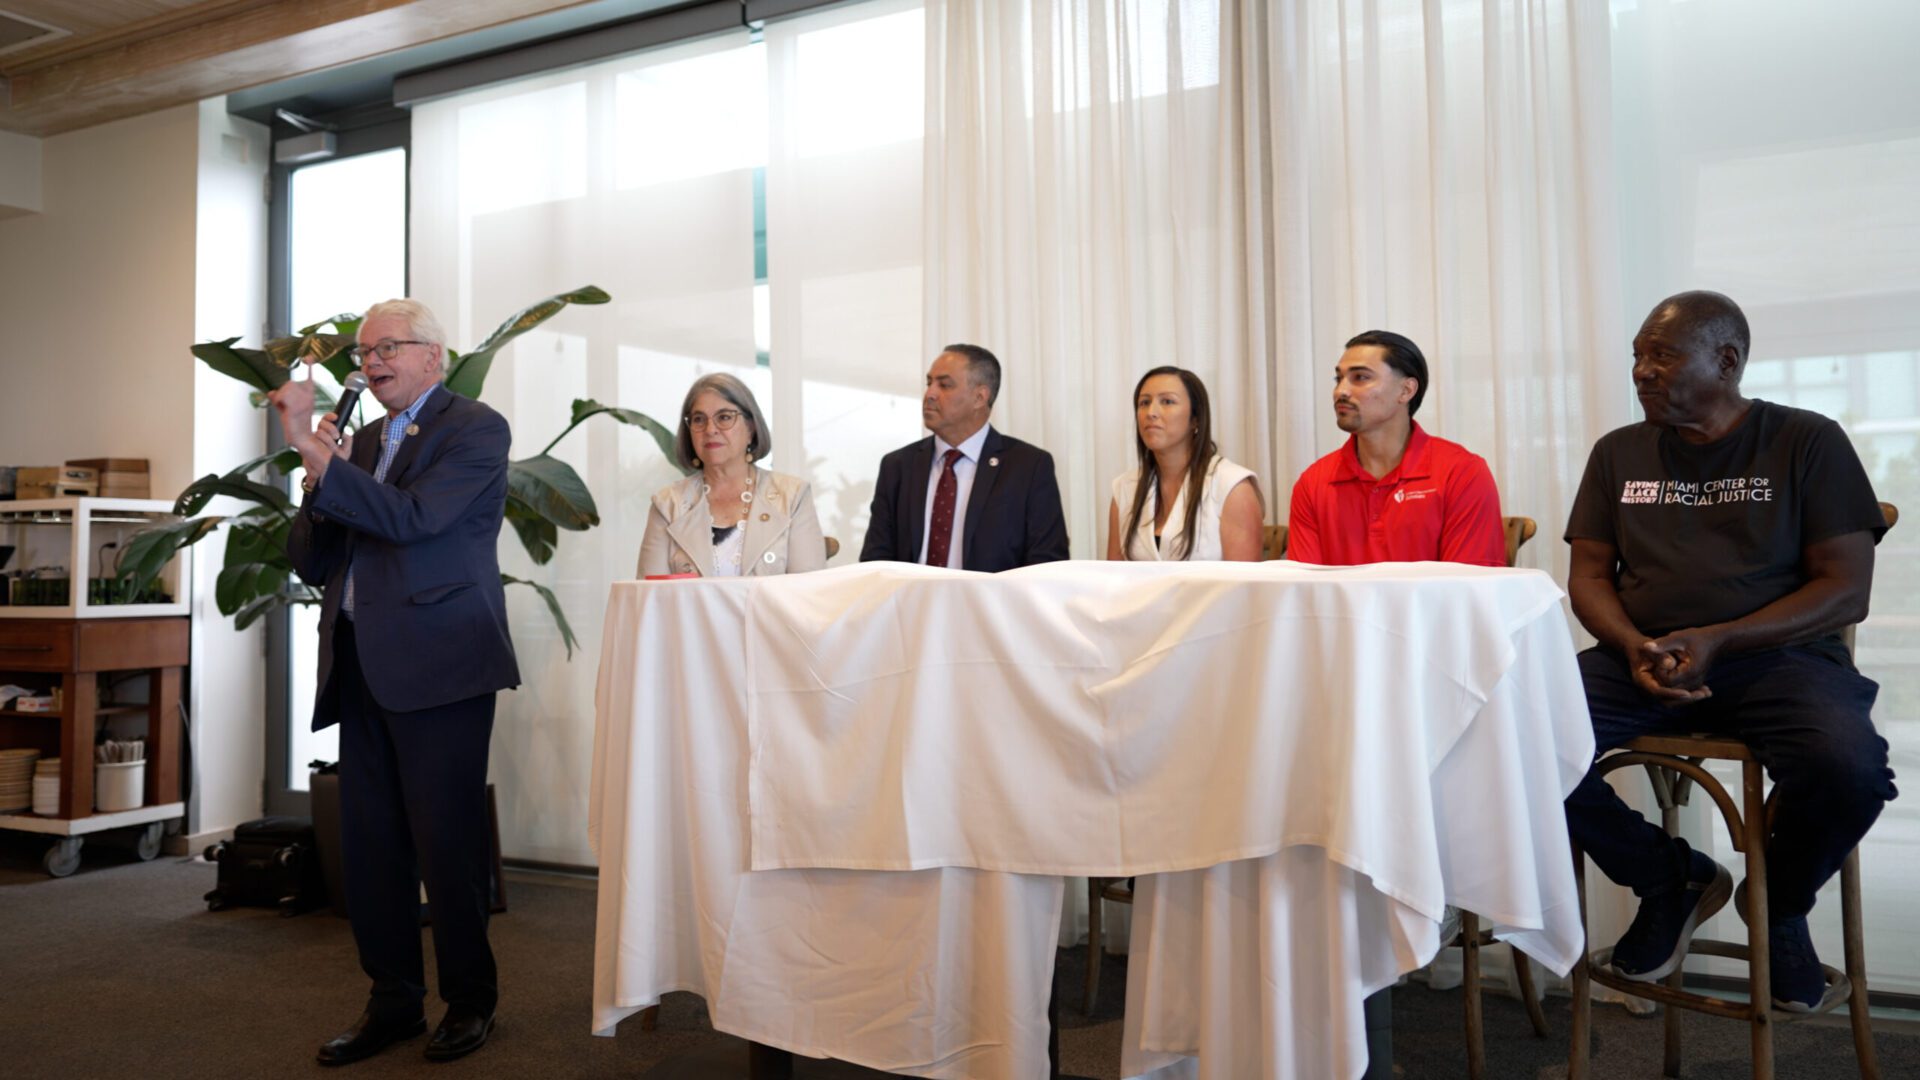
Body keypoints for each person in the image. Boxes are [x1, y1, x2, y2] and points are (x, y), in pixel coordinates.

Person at [1562, 290, 1894, 1010]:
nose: (1642, 371)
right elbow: (1588, 575)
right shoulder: (1618, 453)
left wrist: (1719, 638)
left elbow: (1846, 591)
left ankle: (1777, 901)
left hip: (1782, 660)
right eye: (1637, 358)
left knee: (1849, 768)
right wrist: (1634, 644)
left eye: (1662, 355)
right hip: (1636, 659)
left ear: (1728, 360)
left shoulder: (1806, 441)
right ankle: (1669, 877)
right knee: (1510, 745)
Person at [270, 298, 519, 1065]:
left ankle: (470, 1000)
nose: (371, 361)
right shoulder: (364, 438)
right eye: (363, 351)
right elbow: (312, 560)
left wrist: (319, 462)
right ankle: (393, 1002)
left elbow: (413, 522)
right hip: (360, 660)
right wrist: (318, 477)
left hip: (441, 663)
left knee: (446, 846)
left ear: (434, 357)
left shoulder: (475, 429)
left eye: (389, 348)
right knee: (372, 850)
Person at [1286, 330, 1505, 566]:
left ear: (1406, 390)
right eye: (1338, 379)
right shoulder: (1313, 482)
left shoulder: (1462, 473)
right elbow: (1304, 589)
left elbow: (1469, 589)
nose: (1341, 391)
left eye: (1360, 377)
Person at [860, 343, 1069, 570]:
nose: (930, 394)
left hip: (990, 604)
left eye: (945, 385)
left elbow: (1047, 564)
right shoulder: (898, 466)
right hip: (913, 603)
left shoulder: (1028, 467)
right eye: (929, 383)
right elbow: (875, 561)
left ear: (979, 397)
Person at [637, 373, 826, 577]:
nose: (710, 429)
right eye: (699, 420)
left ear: (751, 427)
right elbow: (649, 598)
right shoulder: (667, 504)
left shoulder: (793, 497)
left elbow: (808, 594)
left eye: (724, 417)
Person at [1106, 366, 1264, 561]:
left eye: (1167, 401)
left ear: (1195, 419)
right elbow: (1113, 580)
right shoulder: (1124, 488)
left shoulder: (1232, 486)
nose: (1151, 412)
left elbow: (1245, 587)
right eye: (1144, 402)